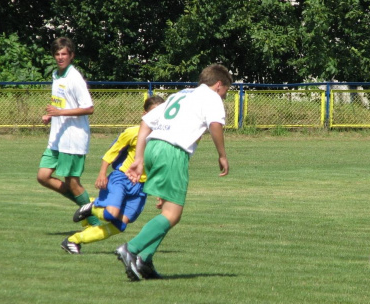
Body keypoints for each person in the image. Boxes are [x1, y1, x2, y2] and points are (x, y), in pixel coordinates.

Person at [115, 63, 232, 281]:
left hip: (153, 147)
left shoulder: (183, 94)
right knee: (172, 214)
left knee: (169, 212)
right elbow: (215, 124)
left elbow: (145, 122)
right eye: (226, 91)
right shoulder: (212, 97)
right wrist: (222, 155)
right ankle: (131, 249)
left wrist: (139, 158)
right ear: (218, 85)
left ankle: (145, 261)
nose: (225, 97)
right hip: (172, 151)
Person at [61, 95, 165, 255]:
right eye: (153, 114)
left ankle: (73, 241)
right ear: (144, 114)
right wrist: (102, 173)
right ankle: (92, 206)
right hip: (121, 179)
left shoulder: (162, 139)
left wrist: (160, 193)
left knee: (119, 225)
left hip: (141, 187)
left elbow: (158, 167)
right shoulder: (132, 133)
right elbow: (112, 152)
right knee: (110, 214)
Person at [36, 37, 101, 227]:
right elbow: (60, 102)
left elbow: (89, 108)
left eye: (64, 54)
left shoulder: (74, 78)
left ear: (71, 55)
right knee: (43, 176)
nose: (60, 57)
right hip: (57, 137)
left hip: (73, 137)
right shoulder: (57, 75)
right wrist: (51, 116)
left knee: (72, 182)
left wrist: (60, 113)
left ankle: (96, 221)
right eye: (57, 54)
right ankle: (87, 205)